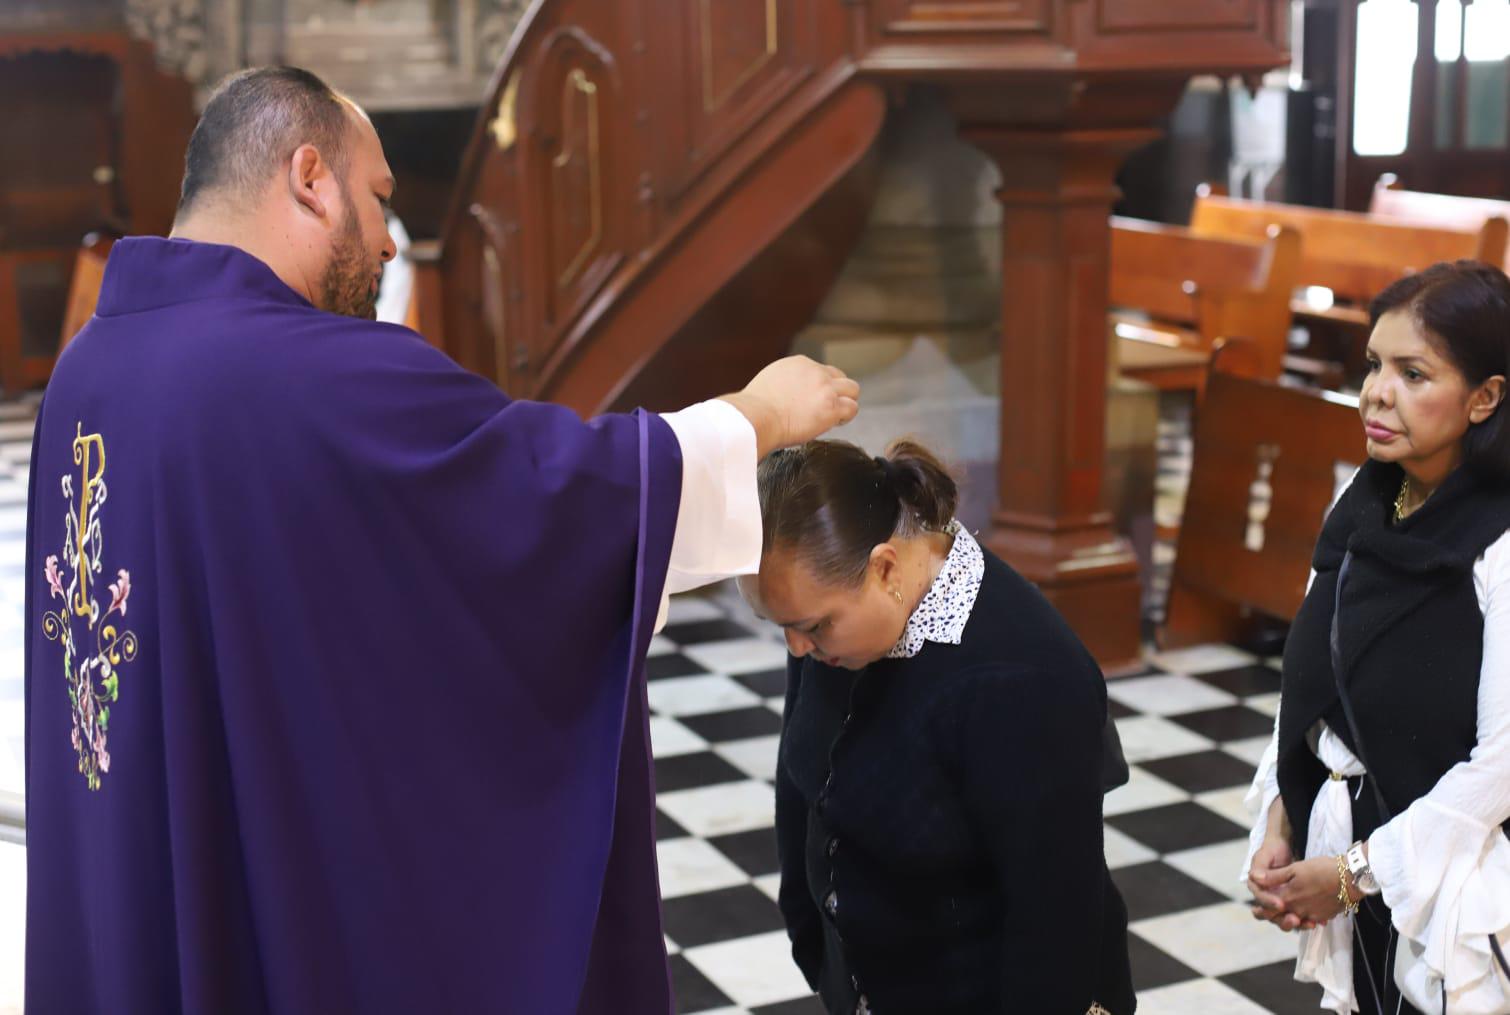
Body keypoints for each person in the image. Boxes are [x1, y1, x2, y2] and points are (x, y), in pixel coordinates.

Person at [24, 66, 859, 1013]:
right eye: (379, 196)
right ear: (310, 178)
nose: (389, 240)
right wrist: (754, 415)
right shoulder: (308, 374)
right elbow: (548, 500)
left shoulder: (89, 367)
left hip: (134, 870)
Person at [738, 438, 1135, 1014]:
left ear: (885, 568)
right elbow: (803, 781)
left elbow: (1054, 917)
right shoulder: (831, 626)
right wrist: (814, 945)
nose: (797, 647)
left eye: (813, 627)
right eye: (781, 625)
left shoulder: (1023, 679)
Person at [1244, 260, 1510, 1013]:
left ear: (1486, 397)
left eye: (1413, 373)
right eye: (1373, 365)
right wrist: (1283, 813)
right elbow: (1314, 675)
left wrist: (1355, 873)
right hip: (1350, 852)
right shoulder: (1363, 497)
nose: (1377, 392)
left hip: (1450, 875)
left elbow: (1501, 766)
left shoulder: (1501, 542)